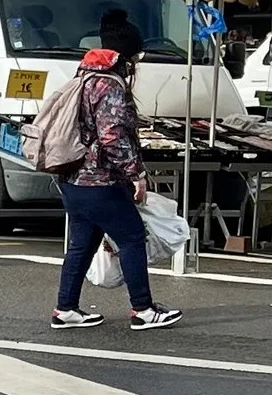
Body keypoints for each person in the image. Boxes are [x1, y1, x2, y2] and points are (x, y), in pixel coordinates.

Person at [50, 25, 180, 331]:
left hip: (72, 178)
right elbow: (113, 137)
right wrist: (137, 175)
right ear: (128, 57)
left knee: (81, 245)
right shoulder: (109, 86)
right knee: (132, 237)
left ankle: (65, 309)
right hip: (100, 181)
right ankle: (144, 309)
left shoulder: (81, 78)